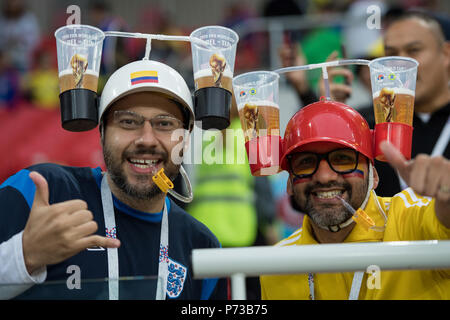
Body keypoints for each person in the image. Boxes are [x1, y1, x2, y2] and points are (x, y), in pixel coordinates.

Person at [0, 59, 227, 300]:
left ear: (186, 139)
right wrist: (23, 257)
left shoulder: (201, 246)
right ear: (101, 134)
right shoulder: (43, 192)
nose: (146, 140)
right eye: (128, 122)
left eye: (164, 124)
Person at [260, 100, 450, 299]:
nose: (325, 177)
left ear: (374, 176)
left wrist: (446, 195)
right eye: (306, 162)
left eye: (343, 159)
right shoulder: (277, 266)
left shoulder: (409, 223)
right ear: (290, 183)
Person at [358, 10, 450, 196]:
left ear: (446, 54)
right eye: (391, 54)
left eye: (413, 50)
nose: (401, 65)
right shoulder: (367, 124)